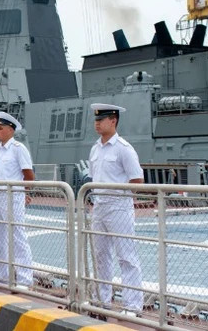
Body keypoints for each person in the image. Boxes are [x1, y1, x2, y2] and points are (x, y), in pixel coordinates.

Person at [88, 103, 144, 315]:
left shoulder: (123, 149)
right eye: (96, 120)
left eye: (101, 120)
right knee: (101, 255)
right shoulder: (95, 148)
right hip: (99, 206)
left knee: (126, 256)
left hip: (119, 207)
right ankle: (103, 301)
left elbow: (136, 180)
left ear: (113, 121)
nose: (97, 123)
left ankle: (132, 306)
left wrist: (121, 198)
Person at [0, 112, 34, 285]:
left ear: (10, 130)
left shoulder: (18, 149)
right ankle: (1, 275)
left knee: (17, 237)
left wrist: (25, 193)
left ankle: (25, 279)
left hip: (13, 197)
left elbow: (29, 175)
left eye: (0, 128)